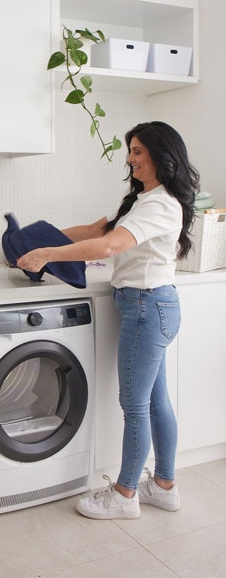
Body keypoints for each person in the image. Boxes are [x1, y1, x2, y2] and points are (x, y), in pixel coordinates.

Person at [16, 121, 200, 520]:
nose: (130, 159)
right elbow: (98, 230)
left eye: (137, 151)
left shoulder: (160, 204)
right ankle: (164, 485)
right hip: (154, 307)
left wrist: (47, 254)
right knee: (155, 402)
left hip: (147, 309)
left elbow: (112, 244)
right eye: (130, 151)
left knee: (134, 405)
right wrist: (34, 241)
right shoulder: (145, 200)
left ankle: (125, 494)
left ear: (160, 155)